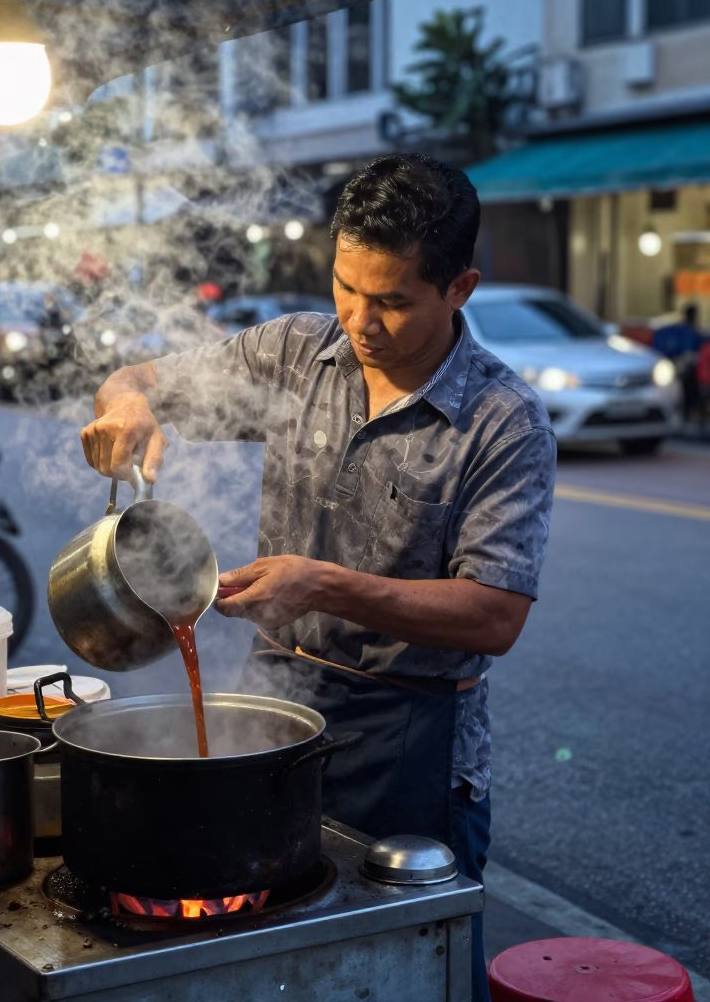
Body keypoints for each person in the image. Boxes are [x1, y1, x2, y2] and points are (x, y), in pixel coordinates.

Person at [81, 154, 557, 1002]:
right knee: (268, 971)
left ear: (461, 287)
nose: (361, 321)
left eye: (392, 300)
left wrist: (322, 584)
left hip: (409, 738)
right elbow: (139, 379)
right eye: (347, 286)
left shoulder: (502, 421)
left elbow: (493, 616)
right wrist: (126, 403)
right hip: (275, 715)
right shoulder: (297, 352)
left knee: (407, 973)